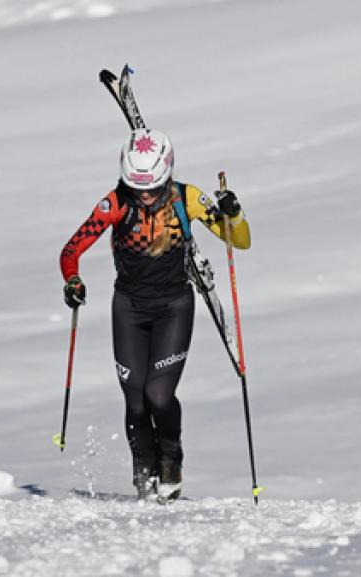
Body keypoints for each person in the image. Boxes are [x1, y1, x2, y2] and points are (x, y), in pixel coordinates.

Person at [59, 128, 250, 501]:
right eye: (136, 188)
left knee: (159, 395)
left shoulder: (187, 198)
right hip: (128, 308)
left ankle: (170, 462)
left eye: (153, 187)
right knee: (135, 401)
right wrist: (73, 281)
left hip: (174, 306)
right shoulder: (114, 203)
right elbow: (70, 250)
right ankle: (143, 473)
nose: (145, 196)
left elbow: (240, 240)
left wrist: (234, 214)